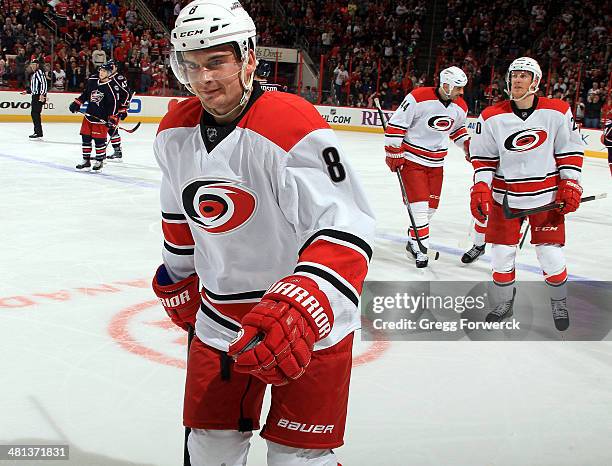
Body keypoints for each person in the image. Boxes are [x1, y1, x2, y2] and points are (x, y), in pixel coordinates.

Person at [151, 1, 375, 465]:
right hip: (220, 321)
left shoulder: (290, 123)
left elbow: (345, 227)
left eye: (217, 62)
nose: (204, 79)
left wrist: (305, 303)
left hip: (306, 323)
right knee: (209, 447)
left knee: (297, 456)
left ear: (248, 58)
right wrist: (179, 279)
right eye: (191, 66)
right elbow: (179, 217)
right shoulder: (174, 131)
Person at [469, 57, 584, 331]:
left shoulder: (557, 112)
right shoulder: (492, 116)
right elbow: (483, 158)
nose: (517, 80)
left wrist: (571, 184)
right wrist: (481, 186)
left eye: (523, 75)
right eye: (514, 75)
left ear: (536, 81)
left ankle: (559, 301)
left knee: (550, 255)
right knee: (500, 255)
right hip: (504, 198)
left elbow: (569, 151)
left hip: (546, 197)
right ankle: (505, 302)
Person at [384, 66, 470, 267]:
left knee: (431, 209)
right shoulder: (418, 97)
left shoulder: (461, 106)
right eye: (458, 87)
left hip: (436, 164)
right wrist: (393, 151)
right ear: (446, 85)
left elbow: (457, 131)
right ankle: (421, 249)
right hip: (413, 161)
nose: (462, 92)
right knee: (420, 209)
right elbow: (396, 125)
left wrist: (469, 147)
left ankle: (413, 240)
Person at [68, 62, 122, 171]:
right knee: (85, 139)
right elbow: (86, 94)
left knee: (99, 141)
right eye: (101, 71)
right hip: (89, 116)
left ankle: (99, 161)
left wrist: (112, 118)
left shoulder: (111, 87)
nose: (101, 73)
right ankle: (86, 160)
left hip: (100, 120)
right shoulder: (93, 82)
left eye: (104, 71)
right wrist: (77, 103)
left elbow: (114, 105)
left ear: (109, 73)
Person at [104, 60, 135, 161]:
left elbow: (126, 94)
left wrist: (123, 109)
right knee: (107, 128)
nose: (108, 70)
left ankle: (117, 151)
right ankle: (113, 150)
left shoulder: (118, 78)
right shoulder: (107, 78)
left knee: (111, 129)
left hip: (115, 109)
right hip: (107, 107)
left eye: (110, 68)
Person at [23, 60, 47, 139]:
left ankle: (38, 132)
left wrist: (42, 94)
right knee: (35, 114)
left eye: (34, 64)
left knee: (35, 113)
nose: (32, 66)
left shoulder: (39, 72)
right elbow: (34, 87)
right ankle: (38, 132)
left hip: (38, 96)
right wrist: (27, 91)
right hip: (35, 96)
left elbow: (44, 83)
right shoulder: (34, 74)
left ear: (37, 65)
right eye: (31, 64)